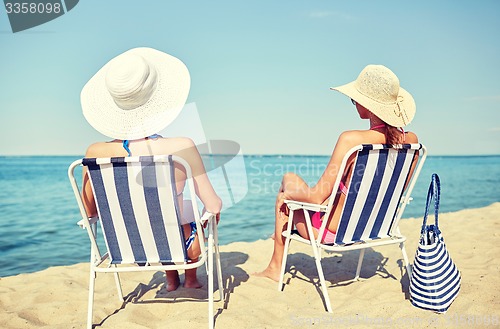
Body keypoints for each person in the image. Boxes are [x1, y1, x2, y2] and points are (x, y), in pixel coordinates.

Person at [254, 64, 418, 281]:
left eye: (355, 99)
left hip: (333, 232)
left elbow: (315, 197)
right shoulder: (412, 142)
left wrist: (287, 196)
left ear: (367, 105)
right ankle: (277, 244)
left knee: (287, 182)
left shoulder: (351, 140)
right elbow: (389, 192)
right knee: (296, 187)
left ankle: (275, 267)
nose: (354, 104)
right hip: (375, 226)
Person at [80, 47, 222, 291]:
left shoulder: (94, 152)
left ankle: (170, 279)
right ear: (156, 100)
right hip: (181, 246)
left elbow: (89, 211)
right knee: (181, 209)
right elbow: (214, 205)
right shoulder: (181, 146)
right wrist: (211, 212)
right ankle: (190, 278)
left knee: (152, 215)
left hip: (127, 248)